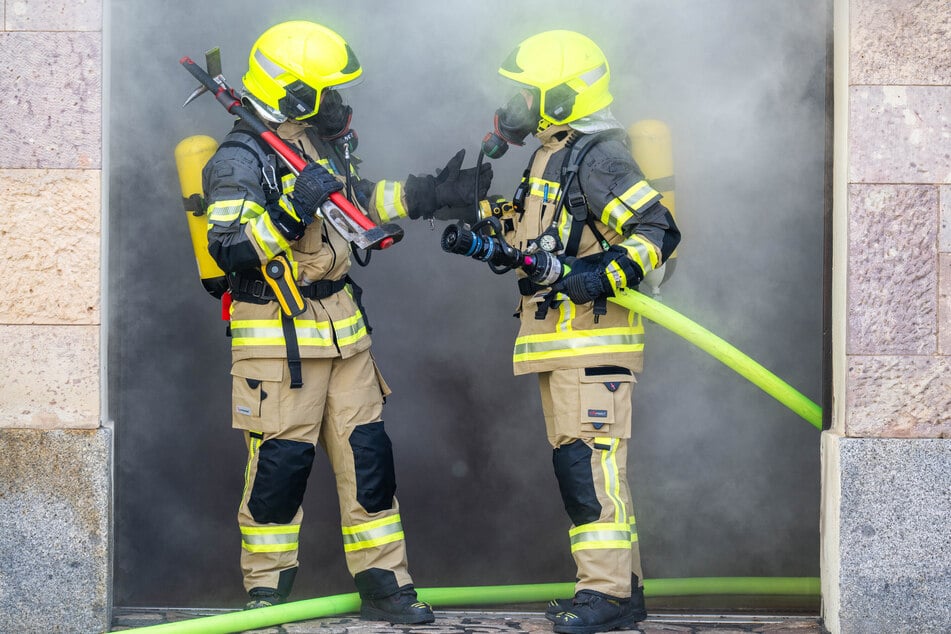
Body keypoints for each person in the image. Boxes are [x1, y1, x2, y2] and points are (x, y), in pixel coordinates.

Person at [201, 20, 490, 622]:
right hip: (278, 337)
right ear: (294, 94)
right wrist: (288, 207)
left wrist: (429, 194)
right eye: (325, 93)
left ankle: (385, 582)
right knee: (279, 469)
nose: (336, 105)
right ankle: (266, 594)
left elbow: (354, 204)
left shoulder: (311, 142)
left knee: (369, 460)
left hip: (343, 330)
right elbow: (229, 245)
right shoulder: (239, 155)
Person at [478, 30, 681, 633]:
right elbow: (534, 241)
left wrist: (602, 275)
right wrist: (477, 218)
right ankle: (625, 590)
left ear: (563, 98)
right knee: (596, 469)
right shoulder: (551, 152)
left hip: (594, 343)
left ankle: (607, 596)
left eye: (527, 92)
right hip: (560, 343)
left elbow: (656, 232)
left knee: (589, 471)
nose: (515, 103)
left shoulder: (598, 156)